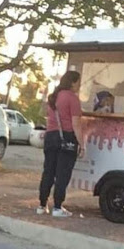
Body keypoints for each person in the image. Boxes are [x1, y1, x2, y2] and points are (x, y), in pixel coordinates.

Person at [37, 70, 84, 218]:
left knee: (48, 172)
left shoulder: (54, 97)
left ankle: (41, 205)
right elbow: (76, 124)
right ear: (72, 82)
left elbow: (48, 119)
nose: (79, 85)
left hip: (50, 137)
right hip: (67, 138)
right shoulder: (73, 99)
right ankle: (57, 207)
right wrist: (82, 144)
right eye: (78, 82)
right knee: (62, 173)